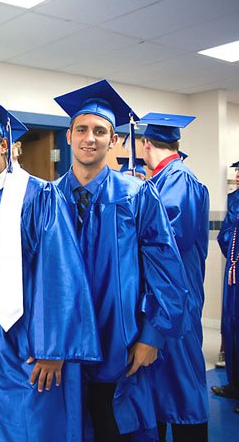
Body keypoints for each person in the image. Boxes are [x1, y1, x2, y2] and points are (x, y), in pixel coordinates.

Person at [0, 90, 101, 441]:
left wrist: (52, 349)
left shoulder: (39, 196)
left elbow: (60, 274)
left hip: (28, 345)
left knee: (33, 426)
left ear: (4, 145)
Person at [53, 80, 188, 441]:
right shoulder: (47, 199)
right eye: (82, 129)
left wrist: (153, 336)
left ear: (113, 140)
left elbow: (166, 271)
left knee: (118, 428)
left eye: (100, 131)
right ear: (69, 136)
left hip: (123, 343)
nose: (90, 138)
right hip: (64, 349)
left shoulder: (138, 194)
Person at [139, 112, 209, 441]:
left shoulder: (179, 179)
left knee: (182, 388)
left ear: (146, 144)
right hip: (164, 298)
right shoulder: (162, 179)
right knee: (163, 386)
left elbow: (167, 241)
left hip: (175, 300)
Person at [214, 159, 239, 413]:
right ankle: (235, 385)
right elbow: (225, 235)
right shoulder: (234, 199)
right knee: (232, 327)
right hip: (234, 274)